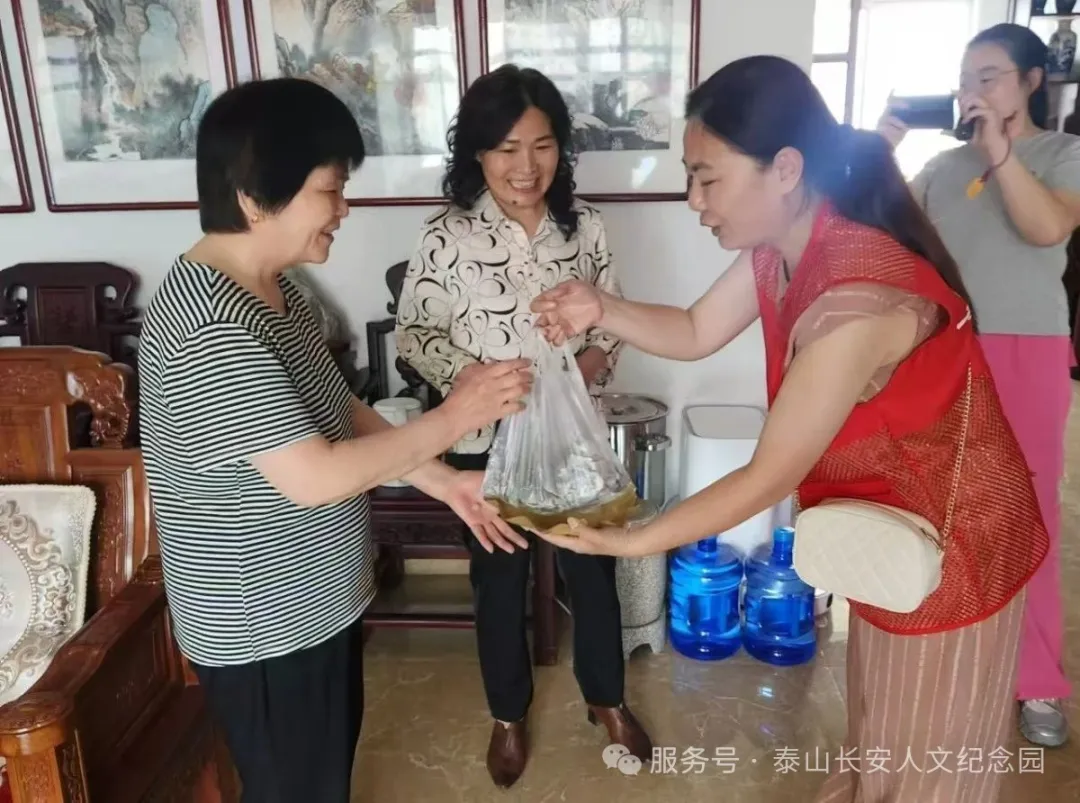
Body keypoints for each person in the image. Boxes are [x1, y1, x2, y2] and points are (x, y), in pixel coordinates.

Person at [529, 55, 1049, 803]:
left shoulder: (858, 298)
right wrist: (599, 306)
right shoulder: (784, 246)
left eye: (707, 177)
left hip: (957, 545)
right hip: (894, 527)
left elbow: (769, 474)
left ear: (785, 168)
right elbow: (696, 328)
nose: (694, 199)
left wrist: (633, 540)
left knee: (930, 766)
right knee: (883, 733)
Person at [137, 77, 532, 803]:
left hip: (312, 605)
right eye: (330, 190)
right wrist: (455, 415)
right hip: (263, 628)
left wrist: (446, 480)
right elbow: (313, 477)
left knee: (325, 778)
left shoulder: (274, 287)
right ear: (255, 198)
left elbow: (336, 407)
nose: (344, 209)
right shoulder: (210, 328)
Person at [395, 64, 651, 789]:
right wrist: (474, 383)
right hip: (486, 442)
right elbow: (415, 334)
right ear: (478, 153)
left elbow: (614, 317)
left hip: (570, 435)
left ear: (560, 149)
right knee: (498, 583)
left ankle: (607, 699)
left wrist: (592, 365)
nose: (525, 167)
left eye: (542, 146)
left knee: (593, 569)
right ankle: (508, 715)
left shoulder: (585, 227)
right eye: (506, 149)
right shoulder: (447, 235)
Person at [877, 22, 1080, 748]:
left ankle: (1036, 679)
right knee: (944, 506)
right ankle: (950, 656)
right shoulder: (942, 166)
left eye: (988, 76)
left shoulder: (1061, 154)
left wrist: (999, 151)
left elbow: (1046, 228)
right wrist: (879, 153)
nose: (973, 91)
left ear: (1032, 81)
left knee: (1027, 513)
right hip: (947, 347)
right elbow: (891, 238)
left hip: (1027, 348)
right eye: (966, 79)